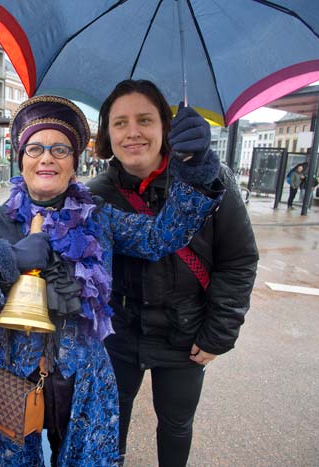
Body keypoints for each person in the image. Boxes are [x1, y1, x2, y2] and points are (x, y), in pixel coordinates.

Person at [0, 95, 223, 466]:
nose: (47, 157)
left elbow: (162, 236)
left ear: (75, 164)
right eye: (35, 148)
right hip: (10, 376)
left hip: (85, 378)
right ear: (22, 160)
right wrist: (8, 260)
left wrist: (196, 166)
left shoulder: (100, 219)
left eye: (60, 149)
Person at [87, 79, 259, 467]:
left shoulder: (213, 180)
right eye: (120, 123)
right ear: (107, 133)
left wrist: (219, 333)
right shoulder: (95, 194)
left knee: (176, 425)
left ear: (166, 127)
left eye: (145, 120)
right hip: (119, 335)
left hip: (185, 335)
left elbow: (239, 259)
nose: (133, 132)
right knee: (109, 425)